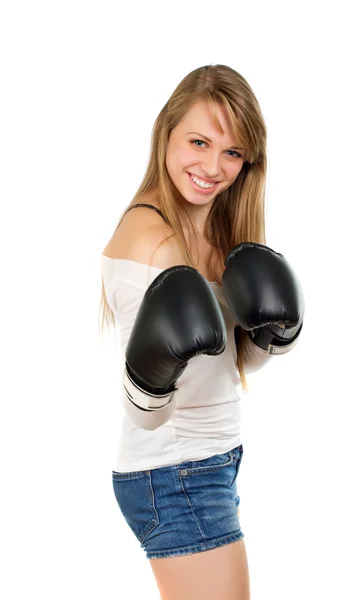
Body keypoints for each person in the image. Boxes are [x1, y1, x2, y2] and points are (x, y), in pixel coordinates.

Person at [99, 64, 304, 600]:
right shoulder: (151, 239)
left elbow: (226, 363)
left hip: (214, 459)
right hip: (174, 469)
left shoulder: (217, 231)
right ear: (166, 131)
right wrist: (152, 373)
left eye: (233, 152)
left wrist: (271, 335)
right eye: (199, 141)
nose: (214, 167)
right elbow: (145, 410)